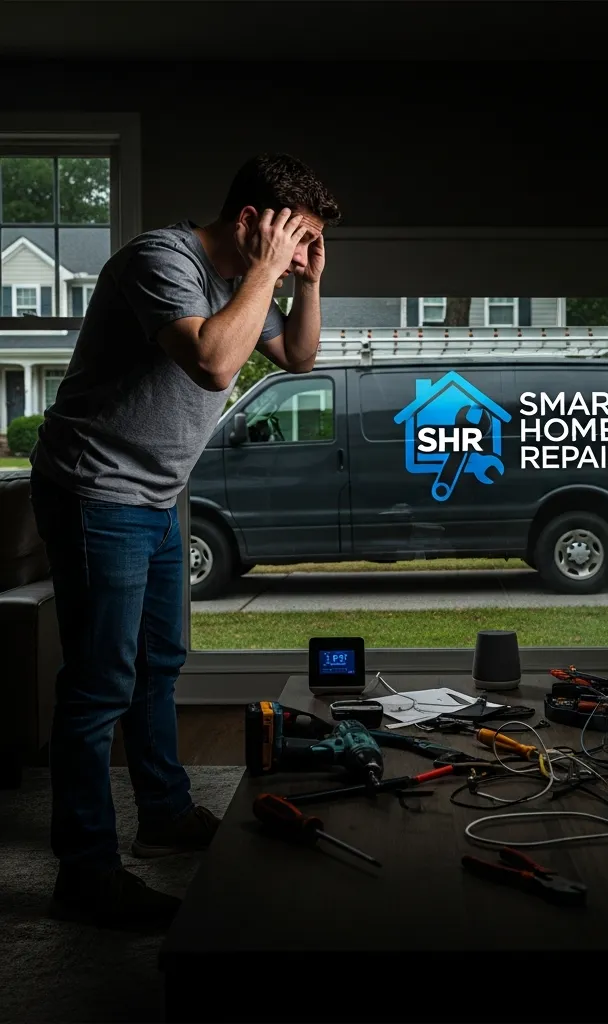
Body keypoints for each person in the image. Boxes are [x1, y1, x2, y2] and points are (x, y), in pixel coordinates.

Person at [29, 153, 340, 928]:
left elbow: (298, 357)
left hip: (157, 496)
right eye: (297, 238)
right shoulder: (158, 261)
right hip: (95, 488)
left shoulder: (254, 280)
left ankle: (164, 814)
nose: (302, 254)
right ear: (249, 223)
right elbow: (211, 363)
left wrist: (307, 281)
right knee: (99, 683)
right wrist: (268, 273)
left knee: (158, 662)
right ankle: (85, 872)